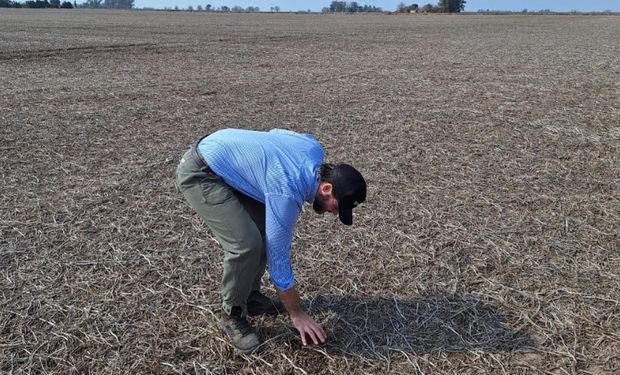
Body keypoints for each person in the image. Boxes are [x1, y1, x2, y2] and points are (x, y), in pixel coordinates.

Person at [175, 128, 366, 353]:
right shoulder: (286, 194)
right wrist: (297, 314)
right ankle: (232, 314)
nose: (334, 213)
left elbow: (276, 132)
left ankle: (250, 296)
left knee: (264, 231)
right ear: (326, 188)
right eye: (337, 206)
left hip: (219, 154)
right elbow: (279, 262)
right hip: (201, 172)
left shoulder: (314, 148)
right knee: (245, 245)